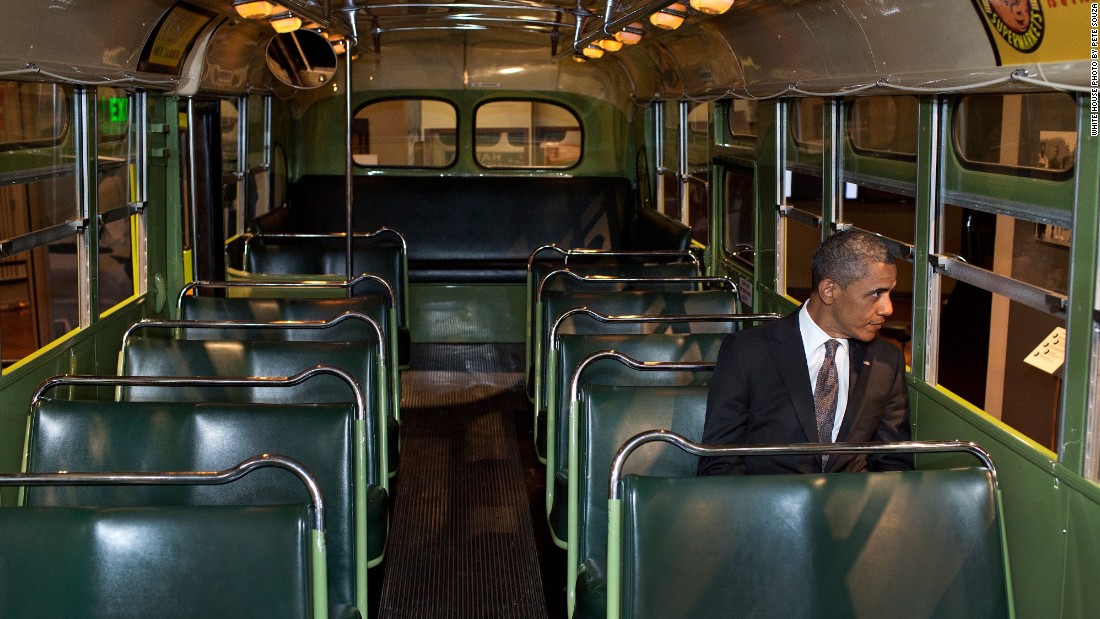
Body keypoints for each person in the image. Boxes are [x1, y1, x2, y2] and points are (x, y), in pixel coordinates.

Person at [698, 230, 913, 475]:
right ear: (829, 291)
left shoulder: (886, 360)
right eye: (876, 293)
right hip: (767, 506)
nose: (888, 308)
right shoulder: (748, 352)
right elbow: (719, 462)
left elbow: (894, 463)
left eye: (890, 293)